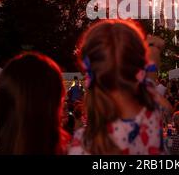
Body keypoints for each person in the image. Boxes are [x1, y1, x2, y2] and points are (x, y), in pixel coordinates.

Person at [69, 19, 164, 155]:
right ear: (139, 68)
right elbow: (150, 74)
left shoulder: (83, 146)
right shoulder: (152, 113)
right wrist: (154, 47)